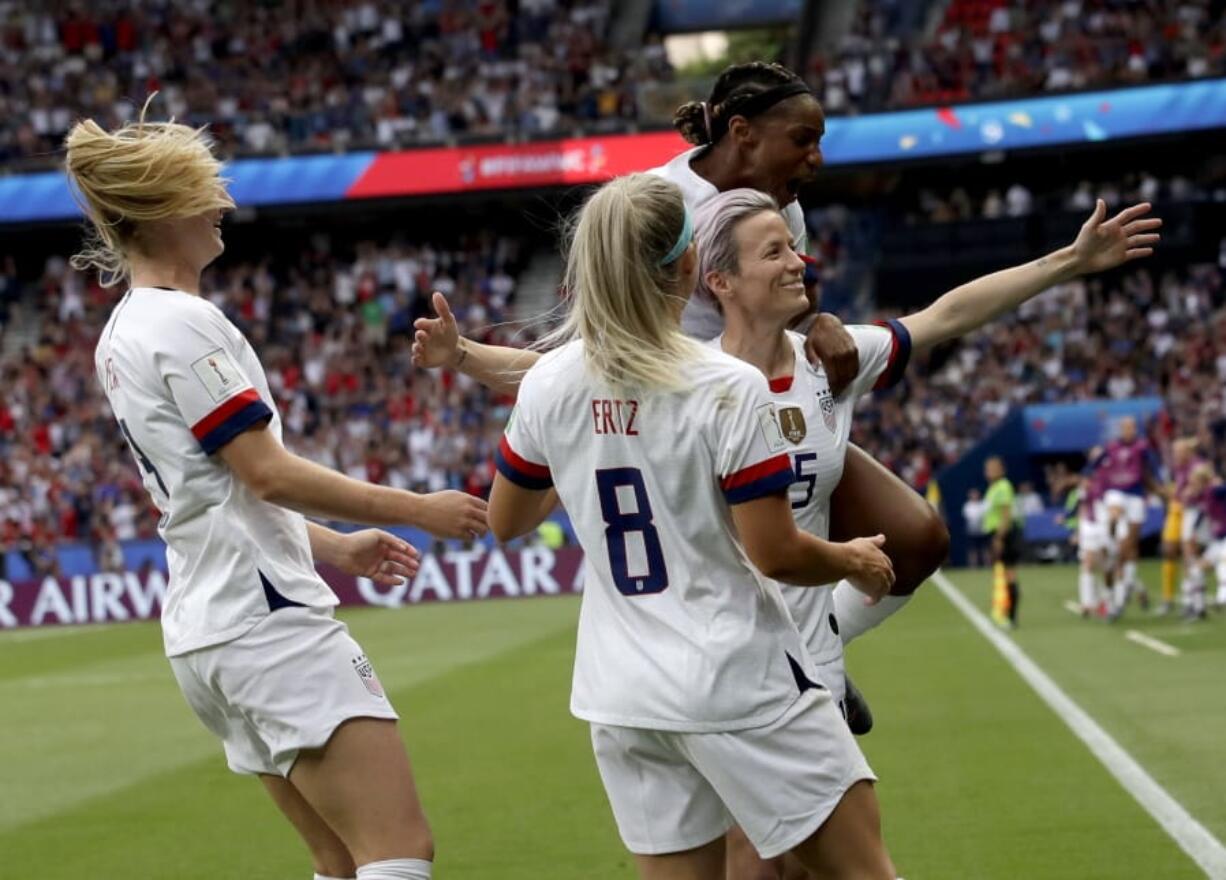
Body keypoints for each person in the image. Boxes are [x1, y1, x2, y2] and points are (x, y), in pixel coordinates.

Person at [413, 61, 951, 734]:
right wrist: (463, 356)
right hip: (674, 426)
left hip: (746, 406)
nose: (816, 159)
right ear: (742, 133)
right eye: (803, 140)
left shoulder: (785, 209)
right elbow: (590, 362)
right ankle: (777, 676)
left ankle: (819, 655)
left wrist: (820, 321)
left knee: (917, 536)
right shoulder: (652, 203)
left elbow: (782, 313)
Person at [686, 187, 1158, 880]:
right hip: (725, 655)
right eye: (776, 251)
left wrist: (1069, 260)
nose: (800, 262)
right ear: (719, 281)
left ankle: (833, 657)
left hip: (806, 658)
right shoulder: (690, 382)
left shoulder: (828, 365)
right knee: (761, 860)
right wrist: (468, 360)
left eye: (795, 247)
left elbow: (948, 314)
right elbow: (565, 377)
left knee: (811, 856)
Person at [68, 110, 488, 880]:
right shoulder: (185, 324)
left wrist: (331, 545)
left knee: (336, 856)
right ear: (164, 213)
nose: (221, 208)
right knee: (397, 849)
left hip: (206, 632)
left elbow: (214, 488)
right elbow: (266, 472)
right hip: (264, 624)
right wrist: (415, 507)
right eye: (204, 195)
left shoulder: (122, 332)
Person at [486, 172, 898, 880]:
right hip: (735, 673)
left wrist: (595, 451)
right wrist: (850, 559)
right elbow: (776, 554)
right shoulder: (726, 387)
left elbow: (508, 520)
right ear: (685, 267)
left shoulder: (549, 382)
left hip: (621, 692)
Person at [1091, 416, 1161, 613]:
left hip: (1134, 496)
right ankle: (1114, 595)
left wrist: (1159, 483)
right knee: (1115, 510)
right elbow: (1092, 466)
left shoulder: (1141, 447)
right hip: (1113, 501)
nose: (1127, 430)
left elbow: (1153, 467)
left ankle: (1124, 591)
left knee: (1128, 548)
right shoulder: (1110, 451)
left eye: (1131, 427)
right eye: (1124, 427)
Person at [1158, 438, 1202, 615]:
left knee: (1189, 554)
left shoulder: (1197, 466)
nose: (1175, 455)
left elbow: (1198, 488)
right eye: (1174, 452)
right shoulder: (1177, 468)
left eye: (1178, 452)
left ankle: (1192, 600)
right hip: (1177, 508)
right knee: (1169, 550)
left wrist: (1188, 492)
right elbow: (1178, 490)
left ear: (1187, 452)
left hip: (1193, 511)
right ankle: (1171, 598)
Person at [983, 457, 1023, 628]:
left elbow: (1006, 514)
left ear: (1001, 470)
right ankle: (1003, 611)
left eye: (993, 468)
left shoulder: (1003, 486)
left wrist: (999, 538)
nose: (989, 471)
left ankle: (1011, 616)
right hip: (997, 533)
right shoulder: (993, 488)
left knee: (1009, 574)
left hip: (1004, 534)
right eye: (988, 468)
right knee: (1002, 574)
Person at [963, 488, 988, 568]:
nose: (974, 496)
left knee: (985, 549)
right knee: (972, 550)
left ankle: (987, 565)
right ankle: (973, 566)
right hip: (972, 531)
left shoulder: (983, 504)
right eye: (973, 494)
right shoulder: (967, 505)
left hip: (983, 530)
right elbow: (969, 517)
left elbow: (985, 516)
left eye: (976, 494)